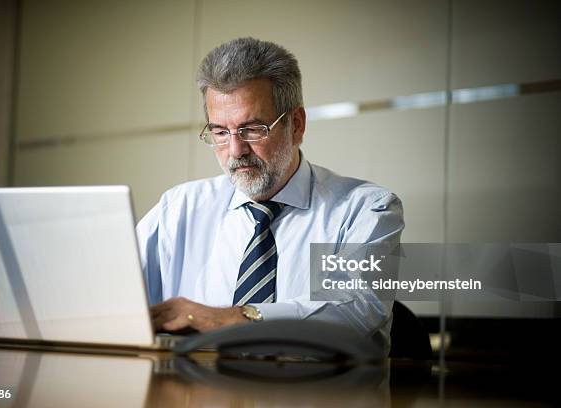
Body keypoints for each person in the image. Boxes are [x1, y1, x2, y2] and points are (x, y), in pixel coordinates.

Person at [136, 37, 404, 347]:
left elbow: (358, 307)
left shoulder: (364, 209)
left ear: (297, 125)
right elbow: (114, 296)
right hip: (197, 390)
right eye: (220, 132)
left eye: (252, 129)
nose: (235, 150)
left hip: (320, 391)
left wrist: (233, 318)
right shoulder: (178, 208)